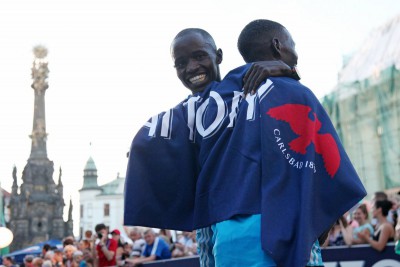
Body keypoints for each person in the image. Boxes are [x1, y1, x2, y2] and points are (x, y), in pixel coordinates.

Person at [125, 20, 366, 266]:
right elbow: (318, 159)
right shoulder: (278, 88)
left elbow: (144, 144)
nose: (192, 67)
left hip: (224, 231)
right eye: (181, 63)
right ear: (278, 46)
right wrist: (287, 70)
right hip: (276, 225)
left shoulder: (196, 110)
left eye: (198, 56)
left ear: (218, 56)